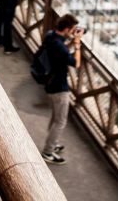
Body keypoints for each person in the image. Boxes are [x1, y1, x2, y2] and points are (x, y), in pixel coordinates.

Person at [40, 14, 83, 165]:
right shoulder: (59, 46)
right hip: (59, 87)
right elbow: (75, 63)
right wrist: (77, 44)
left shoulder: (51, 36)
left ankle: (53, 142)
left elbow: (62, 50)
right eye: (71, 29)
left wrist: (71, 41)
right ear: (66, 29)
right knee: (60, 121)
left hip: (50, 84)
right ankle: (48, 151)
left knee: (55, 117)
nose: (72, 32)